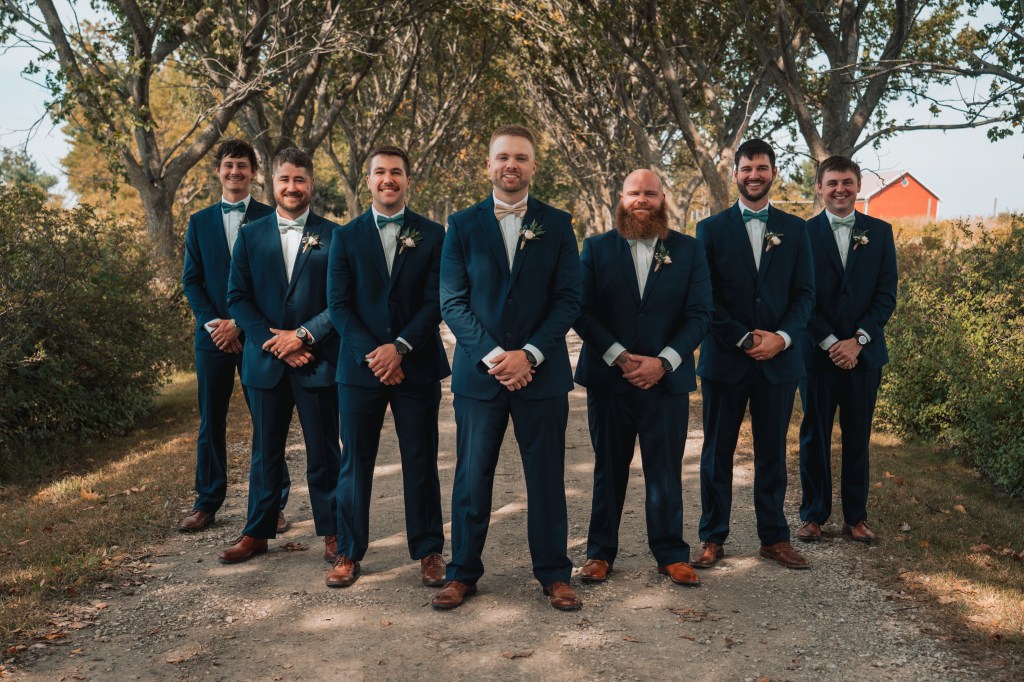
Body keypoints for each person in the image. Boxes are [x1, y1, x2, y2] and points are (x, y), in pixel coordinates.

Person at [434, 125, 582, 610]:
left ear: (533, 166)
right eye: (502, 157)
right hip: (481, 376)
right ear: (489, 165)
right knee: (471, 478)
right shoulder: (461, 225)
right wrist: (498, 357)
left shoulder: (558, 224)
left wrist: (530, 354)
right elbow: (453, 302)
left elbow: (568, 299)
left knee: (546, 478)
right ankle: (462, 573)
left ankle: (554, 574)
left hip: (543, 374)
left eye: (520, 157)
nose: (511, 165)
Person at [573, 169, 713, 587]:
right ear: (621, 198)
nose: (642, 200)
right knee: (608, 468)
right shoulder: (596, 248)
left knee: (666, 470)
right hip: (609, 381)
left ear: (662, 199)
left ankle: (671, 554)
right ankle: (600, 553)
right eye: (634, 193)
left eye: (650, 193)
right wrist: (618, 357)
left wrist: (663, 362)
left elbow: (700, 314)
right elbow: (581, 310)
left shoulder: (688, 250)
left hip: (665, 382)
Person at [325, 145, 450, 588]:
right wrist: (375, 355)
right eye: (380, 172)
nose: (388, 179)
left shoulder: (433, 234)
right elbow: (338, 305)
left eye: (396, 171)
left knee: (421, 459)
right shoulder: (346, 236)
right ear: (369, 181)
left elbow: (437, 300)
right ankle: (348, 552)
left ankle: (429, 550)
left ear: (407, 180)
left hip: (416, 365)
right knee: (355, 462)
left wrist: (399, 347)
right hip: (361, 370)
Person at [694, 139, 815, 570]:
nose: (754, 175)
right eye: (746, 168)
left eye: (762, 168)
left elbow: (805, 295)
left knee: (772, 454)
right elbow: (705, 297)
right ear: (735, 174)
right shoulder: (710, 229)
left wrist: (781, 338)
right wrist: (743, 338)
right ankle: (712, 537)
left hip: (778, 363)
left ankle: (774, 538)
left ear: (774, 173)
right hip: (725, 360)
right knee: (717, 452)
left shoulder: (796, 229)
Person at [219, 147, 341, 566]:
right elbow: (237, 297)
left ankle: (333, 531)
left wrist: (304, 336)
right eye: (285, 179)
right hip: (266, 361)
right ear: (272, 183)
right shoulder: (250, 236)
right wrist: (274, 343)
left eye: (299, 179)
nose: (292, 187)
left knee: (324, 451)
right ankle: (257, 531)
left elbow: (342, 301)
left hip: (317, 360)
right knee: (265, 451)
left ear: (311, 183)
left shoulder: (335, 236)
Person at [179, 139, 291, 533]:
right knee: (211, 420)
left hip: (257, 335)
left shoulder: (272, 217)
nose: (235, 172)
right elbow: (192, 281)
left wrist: (240, 323)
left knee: (267, 420)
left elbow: (278, 281)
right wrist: (215, 324)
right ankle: (207, 502)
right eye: (228, 165)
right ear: (218, 171)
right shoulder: (199, 222)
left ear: (253, 173)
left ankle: (272, 504)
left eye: (242, 165)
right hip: (212, 339)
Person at [796, 156, 898, 544]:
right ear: (819, 188)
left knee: (858, 436)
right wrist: (829, 342)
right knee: (814, 436)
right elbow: (799, 296)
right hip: (816, 356)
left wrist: (858, 340)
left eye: (847, 182)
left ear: (858, 186)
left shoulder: (880, 232)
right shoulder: (802, 234)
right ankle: (813, 515)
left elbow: (886, 295)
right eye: (833, 182)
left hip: (864, 356)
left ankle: (856, 517)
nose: (840, 189)